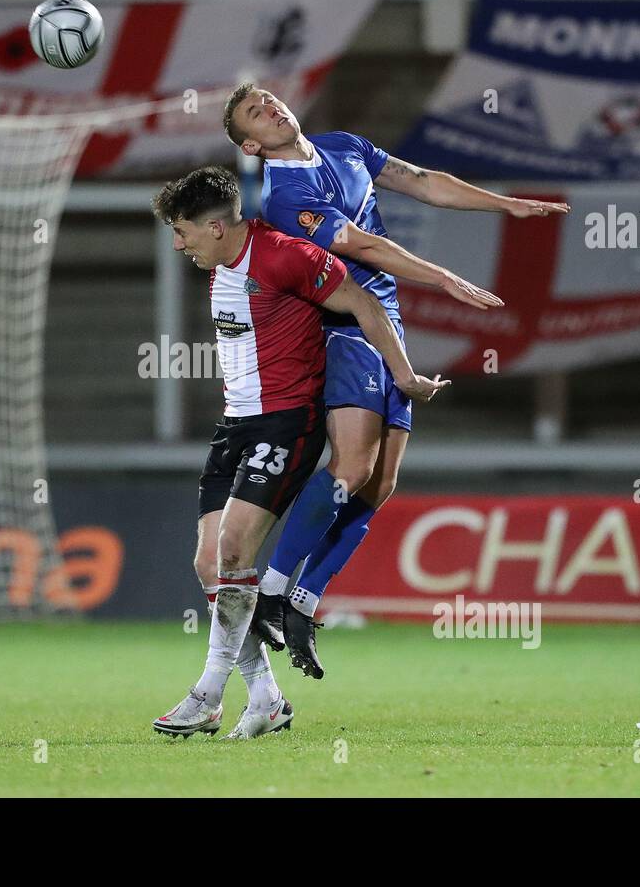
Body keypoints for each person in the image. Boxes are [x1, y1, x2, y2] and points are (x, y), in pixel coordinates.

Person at [223, 83, 570, 678]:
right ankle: (273, 592)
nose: (272, 108)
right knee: (350, 466)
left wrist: (505, 204)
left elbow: (423, 180)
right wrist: (443, 277)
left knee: (379, 484)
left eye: (271, 99)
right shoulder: (283, 196)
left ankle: (303, 604)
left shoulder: (344, 146)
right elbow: (360, 244)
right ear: (251, 143)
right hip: (342, 324)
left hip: (385, 323)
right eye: (255, 113)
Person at [148, 166, 447, 739]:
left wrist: (404, 376)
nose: (177, 244)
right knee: (211, 564)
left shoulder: (286, 256)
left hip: (287, 423)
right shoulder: (222, 262)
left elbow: (364, 304)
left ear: (214, 227)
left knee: (235, 548)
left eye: (182, 231)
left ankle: (207, 693)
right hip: (235, 423)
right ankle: (265, 697)